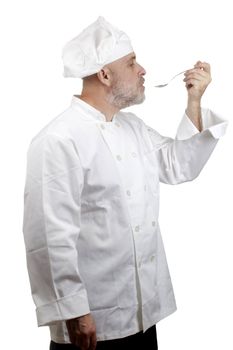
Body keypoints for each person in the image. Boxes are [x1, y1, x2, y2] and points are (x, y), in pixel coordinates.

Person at [23, 16, 228, 350]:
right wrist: (74, 311)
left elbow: (179, 165)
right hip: (91, 325)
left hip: (142, 315)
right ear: (104, 75)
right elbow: (48, 235)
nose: (142, 70)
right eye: (132, 63)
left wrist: (194, 101)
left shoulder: (132, 127)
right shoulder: (58, 139)